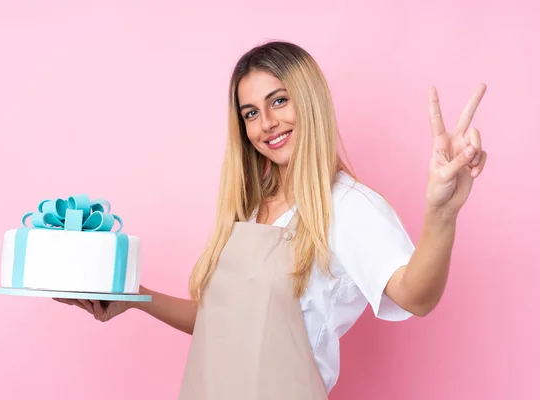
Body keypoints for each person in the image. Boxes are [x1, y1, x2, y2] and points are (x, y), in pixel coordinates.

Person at [55, 40, 487, 398]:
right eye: (250, 113)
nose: (266, 124)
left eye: (279, 101)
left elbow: (415, 295)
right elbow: (222, 325)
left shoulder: (348, 206)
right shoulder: (249, 206)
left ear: (310, 100)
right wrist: (135, 297)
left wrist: (441, 213)